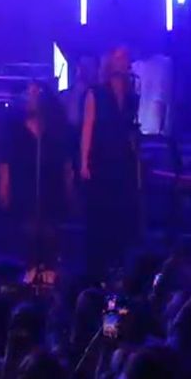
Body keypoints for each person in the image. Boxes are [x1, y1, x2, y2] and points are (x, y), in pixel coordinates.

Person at [0, 80, 73, 269]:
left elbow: (66, 163)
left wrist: (69, 189)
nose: (31, 98)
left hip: (50, 191)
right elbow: (5, 161)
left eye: (36, 93)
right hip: (23, 190)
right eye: (28, 93)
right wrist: (4, 189)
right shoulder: (14, 129)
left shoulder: (56, 130)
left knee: (50, 237)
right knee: (25, 238)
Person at [80, 45, 141, 277]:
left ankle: (118, 268)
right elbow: (88, 127)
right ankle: (96, 270)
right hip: (101, 160)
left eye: (126, 57)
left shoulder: (131, 96)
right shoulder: (95, 93)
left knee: (120, 217)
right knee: (100, 217)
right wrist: (84, 161)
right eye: (119, 57)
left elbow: (132, 129)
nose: (123, 61)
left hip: (122, 161)